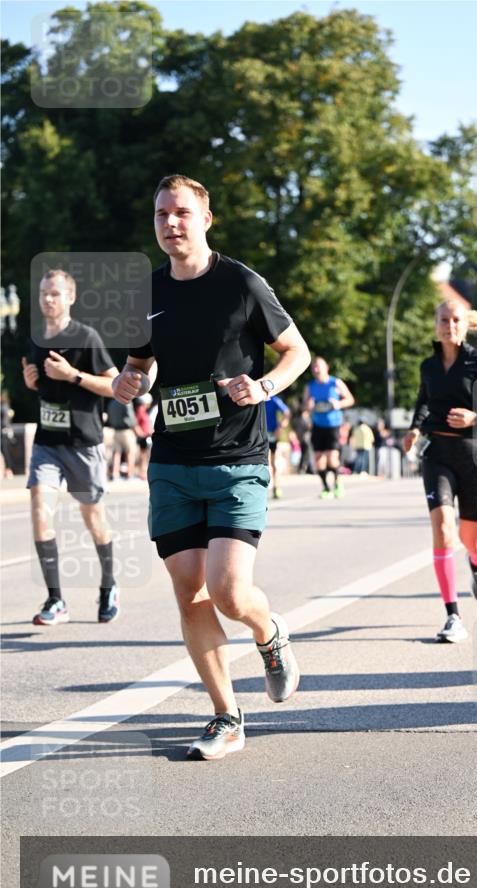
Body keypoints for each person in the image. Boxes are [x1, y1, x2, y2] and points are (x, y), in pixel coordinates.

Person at [112, 174, 310, 762]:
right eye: (160, 215)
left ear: (205, 219)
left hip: (237, 460)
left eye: (180, 213)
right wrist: (130, 381)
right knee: (190, 594)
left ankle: (269, 634)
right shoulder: (145, 293)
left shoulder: (241, 284)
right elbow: (141, 365)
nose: (170, 223)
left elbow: (297, 351)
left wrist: (266, 385)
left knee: (228, 592)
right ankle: (226, 715)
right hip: (172, 462)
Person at [402, 300, 477, 643]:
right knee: (443, 528)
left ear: (465, 326)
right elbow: (424, 401)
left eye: (455, 320)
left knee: (473, 540)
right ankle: (453, 615)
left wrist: (475, 418)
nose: (449, 325)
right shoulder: (428, 366)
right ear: (435, 324)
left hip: (474, 454)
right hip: (437, 453)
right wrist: (414, 429)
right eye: (443, 319)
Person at [21, 269, 121, 625]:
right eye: (44, 293)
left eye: (55, 293)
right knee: (38, 507)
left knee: (93, 517)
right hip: (48, 441)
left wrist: (74, 376)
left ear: (70, 298)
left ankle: (109, 584)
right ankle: (55, 599)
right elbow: (41, 384)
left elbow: (115, 386)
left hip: (83, 442)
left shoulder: (86, 337)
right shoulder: (35, 337)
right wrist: (32, 383)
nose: (48, 299)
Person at [303, 357, 354, 499]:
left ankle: (338, 483)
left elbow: (350, 399)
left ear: (327, 367)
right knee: (319, 459)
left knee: (332, 458)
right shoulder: (310, 386)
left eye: (318, 366)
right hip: (317, 425)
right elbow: (304, 407)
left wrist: (338, 404)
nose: (316, 369)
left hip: (333, 425)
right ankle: (326, 488)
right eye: (314, 367)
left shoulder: (335, 383)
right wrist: (308, 406)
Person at [265, 394, 290, 498]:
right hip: (258, 434)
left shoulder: (274, 399)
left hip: (271, 434)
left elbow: (286, 412)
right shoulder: (255, 398)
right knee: (263, 461)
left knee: (273, 461)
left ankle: (276, 486)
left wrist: (281, 426)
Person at [107, 397, 137, 479]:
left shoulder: (111, 403)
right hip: (126, 430)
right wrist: (136, 429)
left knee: (117, 453)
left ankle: (115, 473)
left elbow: (109, 418)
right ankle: (130, 474)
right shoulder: (126, 401)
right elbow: (131, 418)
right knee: (130, 452)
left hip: (116, 430)